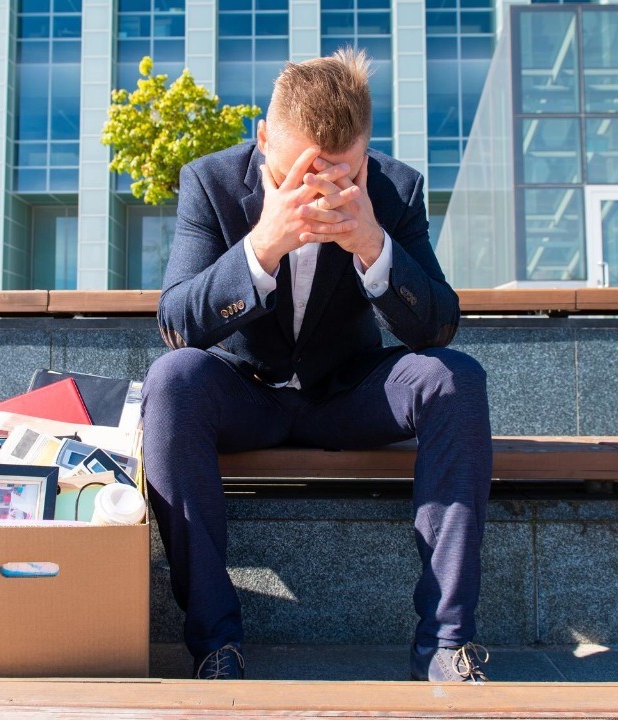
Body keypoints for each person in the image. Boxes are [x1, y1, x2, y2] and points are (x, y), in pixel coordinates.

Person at [142, 47, 492, 682]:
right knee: (172, 382)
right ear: (264, 139)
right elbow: (176, 323)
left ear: (366, 152)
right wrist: (262, 246)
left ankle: (445, 644)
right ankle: (216, 645)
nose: (322, 189)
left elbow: (438, 325)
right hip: (244, 393)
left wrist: (373, 245)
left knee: (455, 379)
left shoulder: (393, 188)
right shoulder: (212, 182)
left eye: (343, 172)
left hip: (346, 395)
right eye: (300, 172)